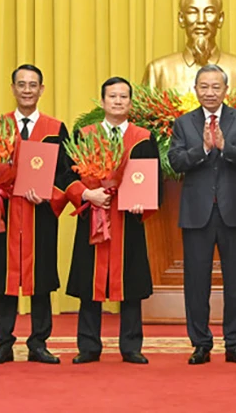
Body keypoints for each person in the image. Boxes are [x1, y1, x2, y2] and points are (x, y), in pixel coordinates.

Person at [0, 64, 78, 365]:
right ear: (12, 89)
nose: (27, 90)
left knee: (42, 278)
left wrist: (50, 193)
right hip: (7, 214)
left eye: (32, 84)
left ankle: (39, 342)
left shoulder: (55, 128)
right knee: (3, 279)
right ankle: (3, 343)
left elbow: (67, 173)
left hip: (41, 215)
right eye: (21, 84)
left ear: (41, 90)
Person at [168, 64, 236, 365]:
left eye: (216, 87)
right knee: (196, 282)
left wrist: (224, 146)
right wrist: (204, 150)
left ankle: (235, 343)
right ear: (195, 89)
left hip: (233, 211)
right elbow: (176, 162)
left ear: (226, 90)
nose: (210, 92)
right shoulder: (183, 123)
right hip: (197, 213)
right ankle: (200, 343)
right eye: (204, 87)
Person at [65, 77, 161, 365]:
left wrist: (142, 204)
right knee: (88, 284)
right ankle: (88, 345)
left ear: (130, 103)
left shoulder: (143, 137)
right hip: (93, 215)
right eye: (112, 96)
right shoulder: (85, 134)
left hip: (128, 220)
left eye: (123, 97)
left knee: (130, 283)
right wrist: (87, 194)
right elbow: (66, 176)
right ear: (103, 101)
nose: (118, 101)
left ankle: (131, 346)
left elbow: (154, 179)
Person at [142, 0, 236, 94]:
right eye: (192, 12)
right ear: (181, 19)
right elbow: (143, 116)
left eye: (209, 12)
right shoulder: (158, 71)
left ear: (220, 19)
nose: (201, 20)